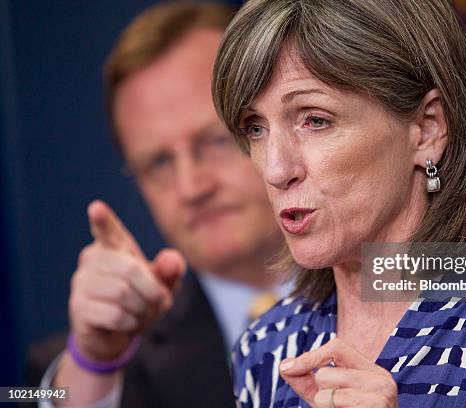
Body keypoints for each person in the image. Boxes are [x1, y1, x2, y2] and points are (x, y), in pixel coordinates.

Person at [212, 0, 466, 407]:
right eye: (255, 128)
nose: (276, 170)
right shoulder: (266, 349)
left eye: (315, 120)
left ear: (426, 130)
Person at [28, 2, 288, 407]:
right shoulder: (94, 366)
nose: (191, 187)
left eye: (216, 140)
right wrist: (93, 366)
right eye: (159, 162)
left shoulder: (399, 277)